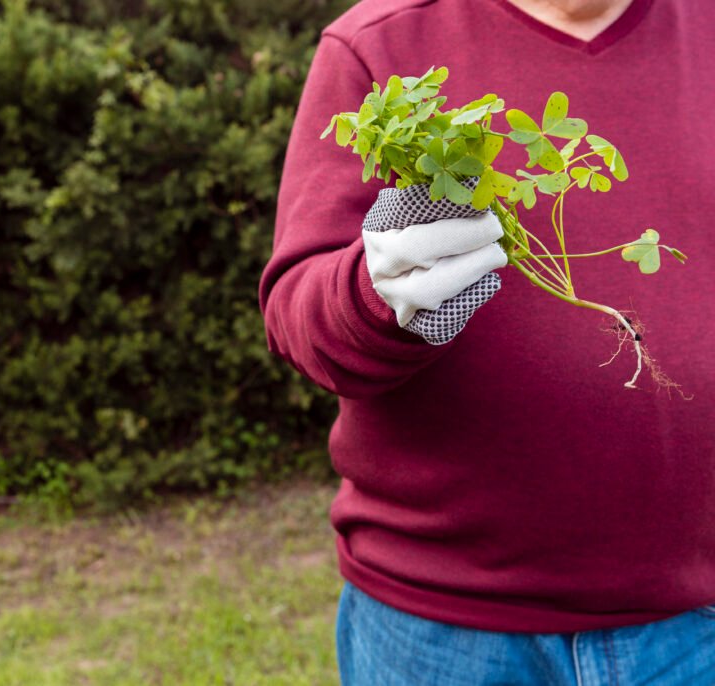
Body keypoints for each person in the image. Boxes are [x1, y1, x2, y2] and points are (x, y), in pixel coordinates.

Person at [258, 0, 715, 683]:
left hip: (695, 621)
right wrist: (375, 295)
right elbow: (296, 314)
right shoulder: (374, 43)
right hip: (444, 629)